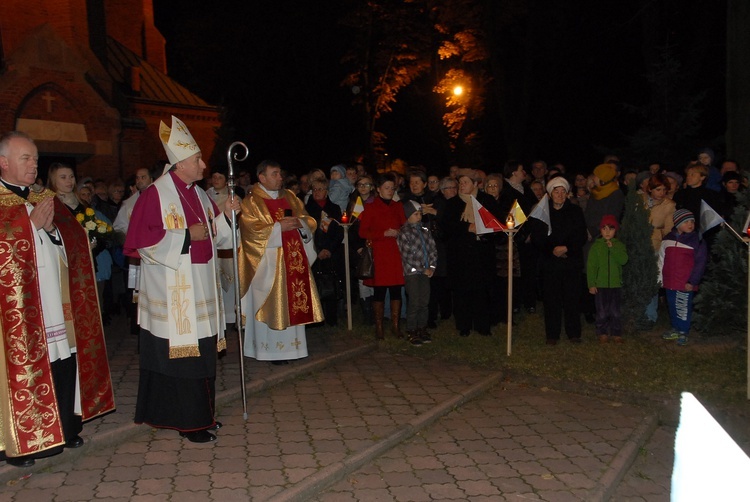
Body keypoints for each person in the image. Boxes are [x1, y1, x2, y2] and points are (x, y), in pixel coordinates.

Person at [0, 131, 115, 466]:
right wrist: (29, 226)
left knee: (62, 359)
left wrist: (55, 233)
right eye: (25, 158)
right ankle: (21, 441)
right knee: (26, 369)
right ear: (3, 162)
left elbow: (68, 239)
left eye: (35, 158)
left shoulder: (42, 197)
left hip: (54, 301)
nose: (33, 164)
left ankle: (63, 427)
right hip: (18, 310)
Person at [124, 116, 240, 443]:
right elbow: (142, 242)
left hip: (201, 289)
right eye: (197, 160)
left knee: (202, 355)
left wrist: (229, 216)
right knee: (184, 359)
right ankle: (189, 423)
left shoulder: (200, 195)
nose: (204, 164)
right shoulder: (156, 194)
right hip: (175, 295)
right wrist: (186, 236)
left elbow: (219, 238)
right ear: (179, 165)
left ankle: (204, 416)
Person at [238, 160, 323, 363]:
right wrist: (277, 229)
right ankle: (270, 351)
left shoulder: (291, 197)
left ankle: (293, 350)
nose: (280, 178)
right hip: (268, 264)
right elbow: (250, 230)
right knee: (272, 303)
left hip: (293, 261)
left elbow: (309, 220)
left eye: (279, 174)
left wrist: (299, 223)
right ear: (262, 177)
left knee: (293, 300)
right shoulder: (251, 201)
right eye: (274, 174)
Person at [530, 176, 588, 345]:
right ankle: (552, 334)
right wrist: (552, 250)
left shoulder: (575, 211)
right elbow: (537, 237)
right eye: (556, 191)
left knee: (572, 298)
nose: (560, 195)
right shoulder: (542, 211)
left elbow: (581, 235)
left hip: (571, 261)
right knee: (551, 299)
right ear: (550, 193)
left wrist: (566, 248)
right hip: (550, 263)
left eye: (563, 191)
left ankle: (574, 333)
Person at [443, 169, 498, 337]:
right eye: (460, 183)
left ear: (475, 184)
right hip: (460, 255)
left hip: (481, 253)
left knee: (481, 291)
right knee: (462, 291)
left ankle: (483, 325)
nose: (462, 186)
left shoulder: (486, 201)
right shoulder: (452, 204)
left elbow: (496, 225)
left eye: (465, 182)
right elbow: (446, 227)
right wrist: (467, 227)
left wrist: (483, 231)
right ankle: (464, 325)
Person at [358, 173, 407, 340]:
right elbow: (363, 232)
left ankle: (395, 325)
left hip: (395, 253)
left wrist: (399, 232)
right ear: (378, 189)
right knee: (379, 291)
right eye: (386, 188)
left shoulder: (397, 206)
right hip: (379, 253)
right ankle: (379, 326)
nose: (390, 191)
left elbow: (404, 226)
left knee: (396, 290)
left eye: (392, 188)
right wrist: (383, 233)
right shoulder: (371, 208)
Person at [114, 166, 155, 334]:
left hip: (153, 252)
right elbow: (118, 226)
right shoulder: (129, 203)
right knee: (136, 290)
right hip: (136, 254)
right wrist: (129, 236)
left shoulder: (158, 198)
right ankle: (138, 325)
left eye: (143, 177)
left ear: (151, 179)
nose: (139, 181)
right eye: (137, 178)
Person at [659, 210, 708, 346]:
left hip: (685, 282)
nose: (690, 224)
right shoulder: (668, 239)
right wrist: (659, 278)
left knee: (682, 306)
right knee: (672, 305)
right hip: (670, 281)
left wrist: (693, 281)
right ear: (678, 224)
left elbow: (700, 262)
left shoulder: (697, 240)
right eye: (686, 222)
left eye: (692, 221)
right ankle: (675, 328)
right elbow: (661, 259)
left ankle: (683, 331)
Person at [305, 178, 345, 326]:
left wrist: (329, 249)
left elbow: (339, 231)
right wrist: (318, 250)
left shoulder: (334, 208)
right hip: (313, 252)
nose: (317, 192)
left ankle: (332, 319)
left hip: (331, 252)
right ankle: (315, 320)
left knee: (331, 284)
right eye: (314, 189)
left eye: (320, 189)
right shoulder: (305, 209)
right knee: (313, 286)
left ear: (327, 192)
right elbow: (305, 232)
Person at [398, 200, 437, 344]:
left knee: (424, 302)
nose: (419, 216)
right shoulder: (404, 233)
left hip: (426, 273)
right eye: (415, 214)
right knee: (414, 302)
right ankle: (411, 330)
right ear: (408, 215)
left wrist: (432, 267)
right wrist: (422, 268)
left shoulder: (425, 231)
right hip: (412, 273)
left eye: (420, 213)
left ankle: (422, 328)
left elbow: (433, 250)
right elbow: (407, 255)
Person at [587, 215, 628, 343]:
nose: (607, 232)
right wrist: (591, 284)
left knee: (615, 311)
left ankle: (616, 332)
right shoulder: (596, 247)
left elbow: (623, 260)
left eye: (610, 229)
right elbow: (591, 266)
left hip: (615, 284)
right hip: (601, 285)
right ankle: (602, 332)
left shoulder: (619, 245)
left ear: (615, 231)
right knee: (602, 311)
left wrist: (613, 248)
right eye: (604, 229)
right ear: (600, 230)